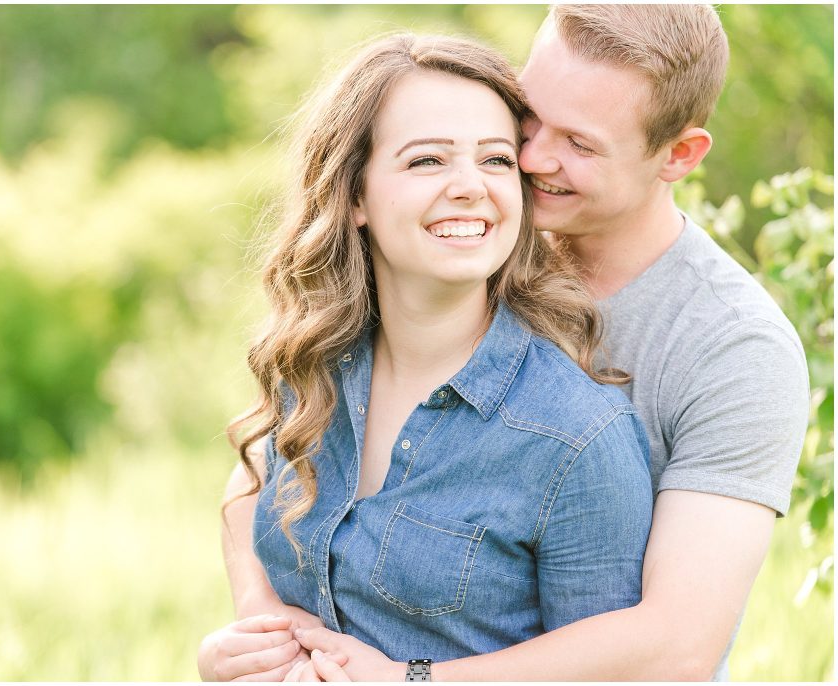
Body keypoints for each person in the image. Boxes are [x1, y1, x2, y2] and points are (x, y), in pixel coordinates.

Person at [248, 4, 810, 681]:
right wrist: (273, 639)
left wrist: (409, 680)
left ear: (679, 155)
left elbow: (676, 647)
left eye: (580, 143)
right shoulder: (462, 243)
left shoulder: (732, 349)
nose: (531, 159)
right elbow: (270, 464)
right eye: (531, 117)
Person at [196, 33, 655, 682]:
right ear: (354, 196)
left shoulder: (578, 439)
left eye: (496, 160)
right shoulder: (318, 364)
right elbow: (249, 485)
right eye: (428, 161)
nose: (470, 186)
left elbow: (620, 675)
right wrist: (257, 624)